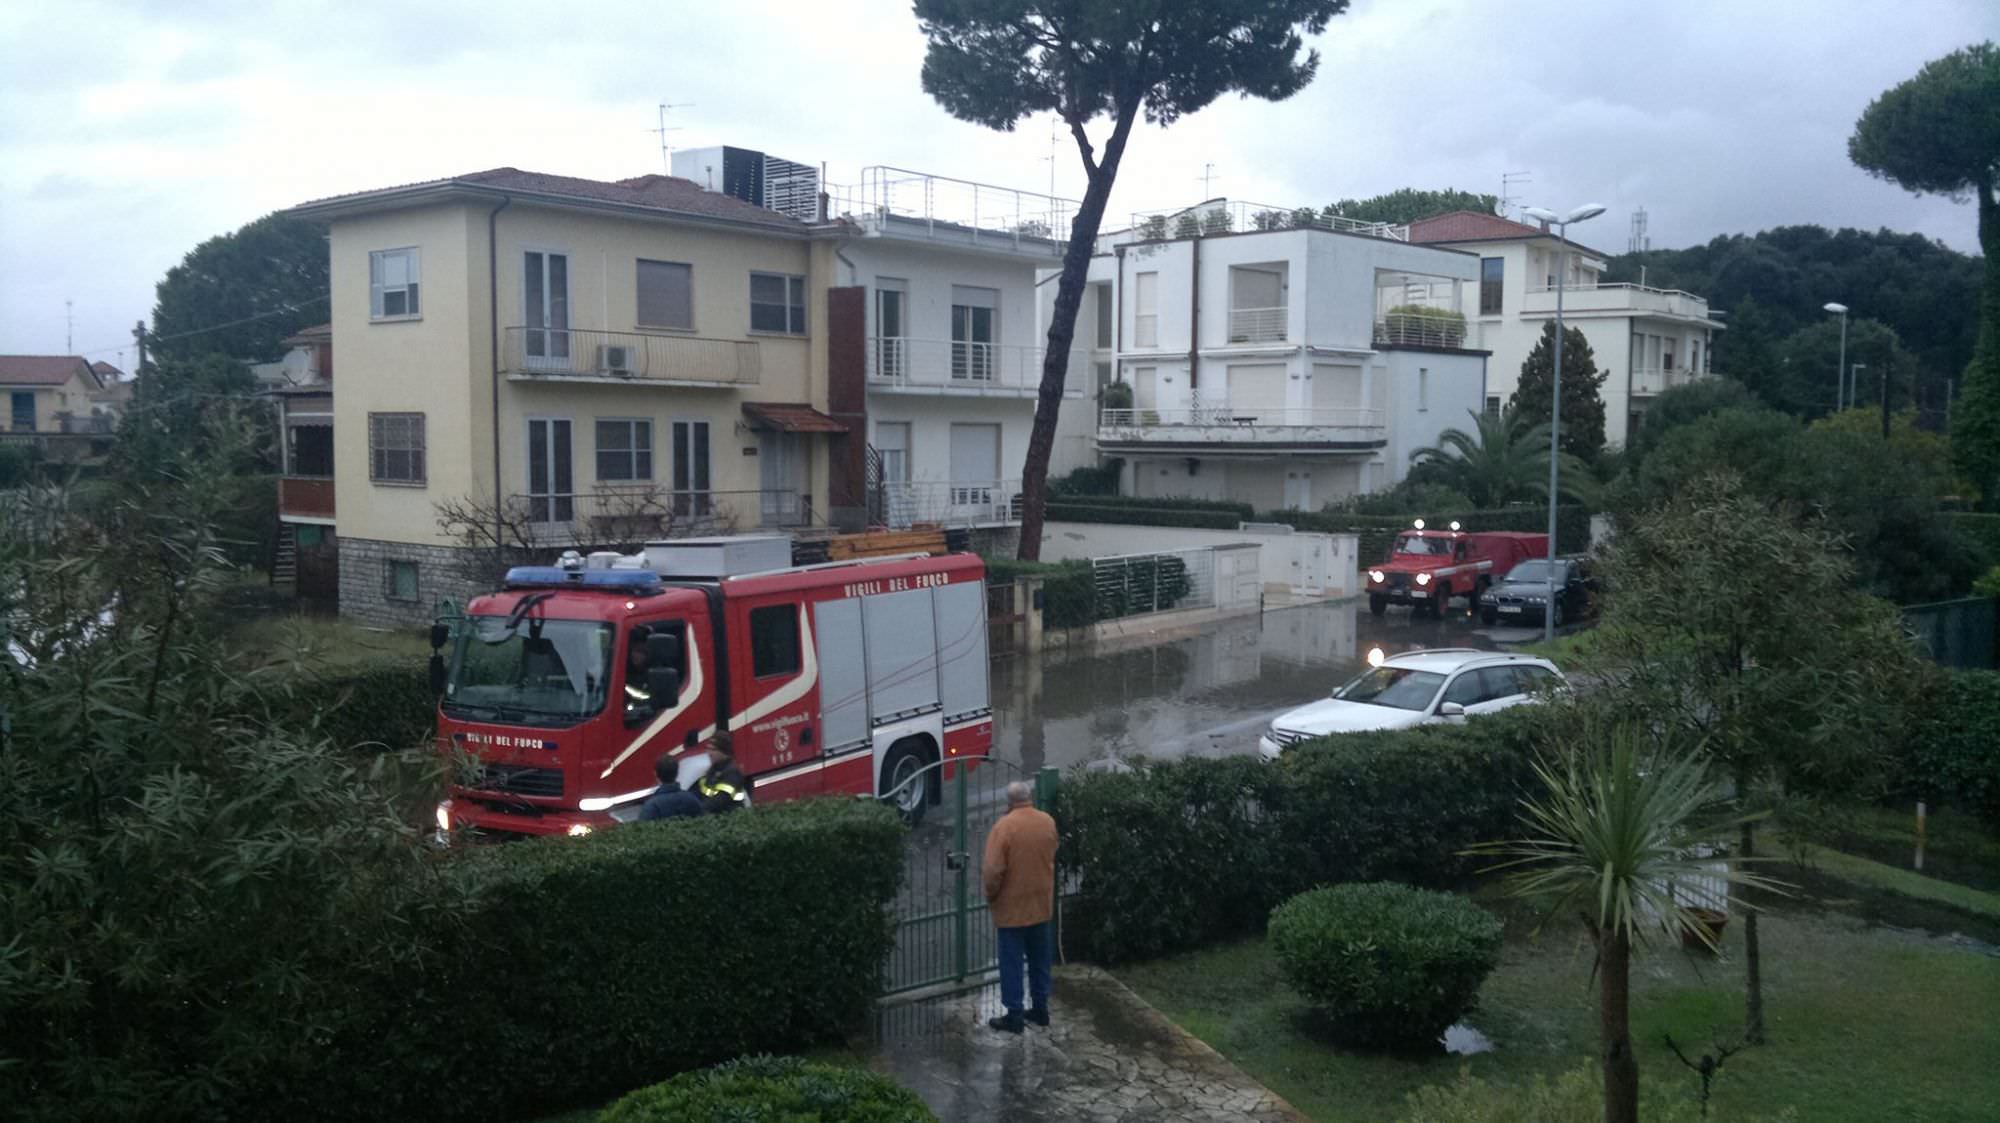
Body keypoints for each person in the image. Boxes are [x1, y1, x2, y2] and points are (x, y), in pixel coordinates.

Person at [982, 780, 1058, 1034]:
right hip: (1041, 903)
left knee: (1012, 962)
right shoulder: (1047, 821)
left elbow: (993, 871)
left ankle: (1014, 1015)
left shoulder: (1004, 827)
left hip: (1012, 908)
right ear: (1030, 798)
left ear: (1009, 801)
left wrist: (991, 896)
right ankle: (1040, 1008)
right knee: (1040, 960)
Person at [691, 734, 749, 814]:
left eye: (713, 750)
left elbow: (720, 800)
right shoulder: (713, 769)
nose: (709, 753)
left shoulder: (732, 773)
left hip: (729, 818)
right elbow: (700, 792)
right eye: (708, 749)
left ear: (724, 752)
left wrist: (698, 809)